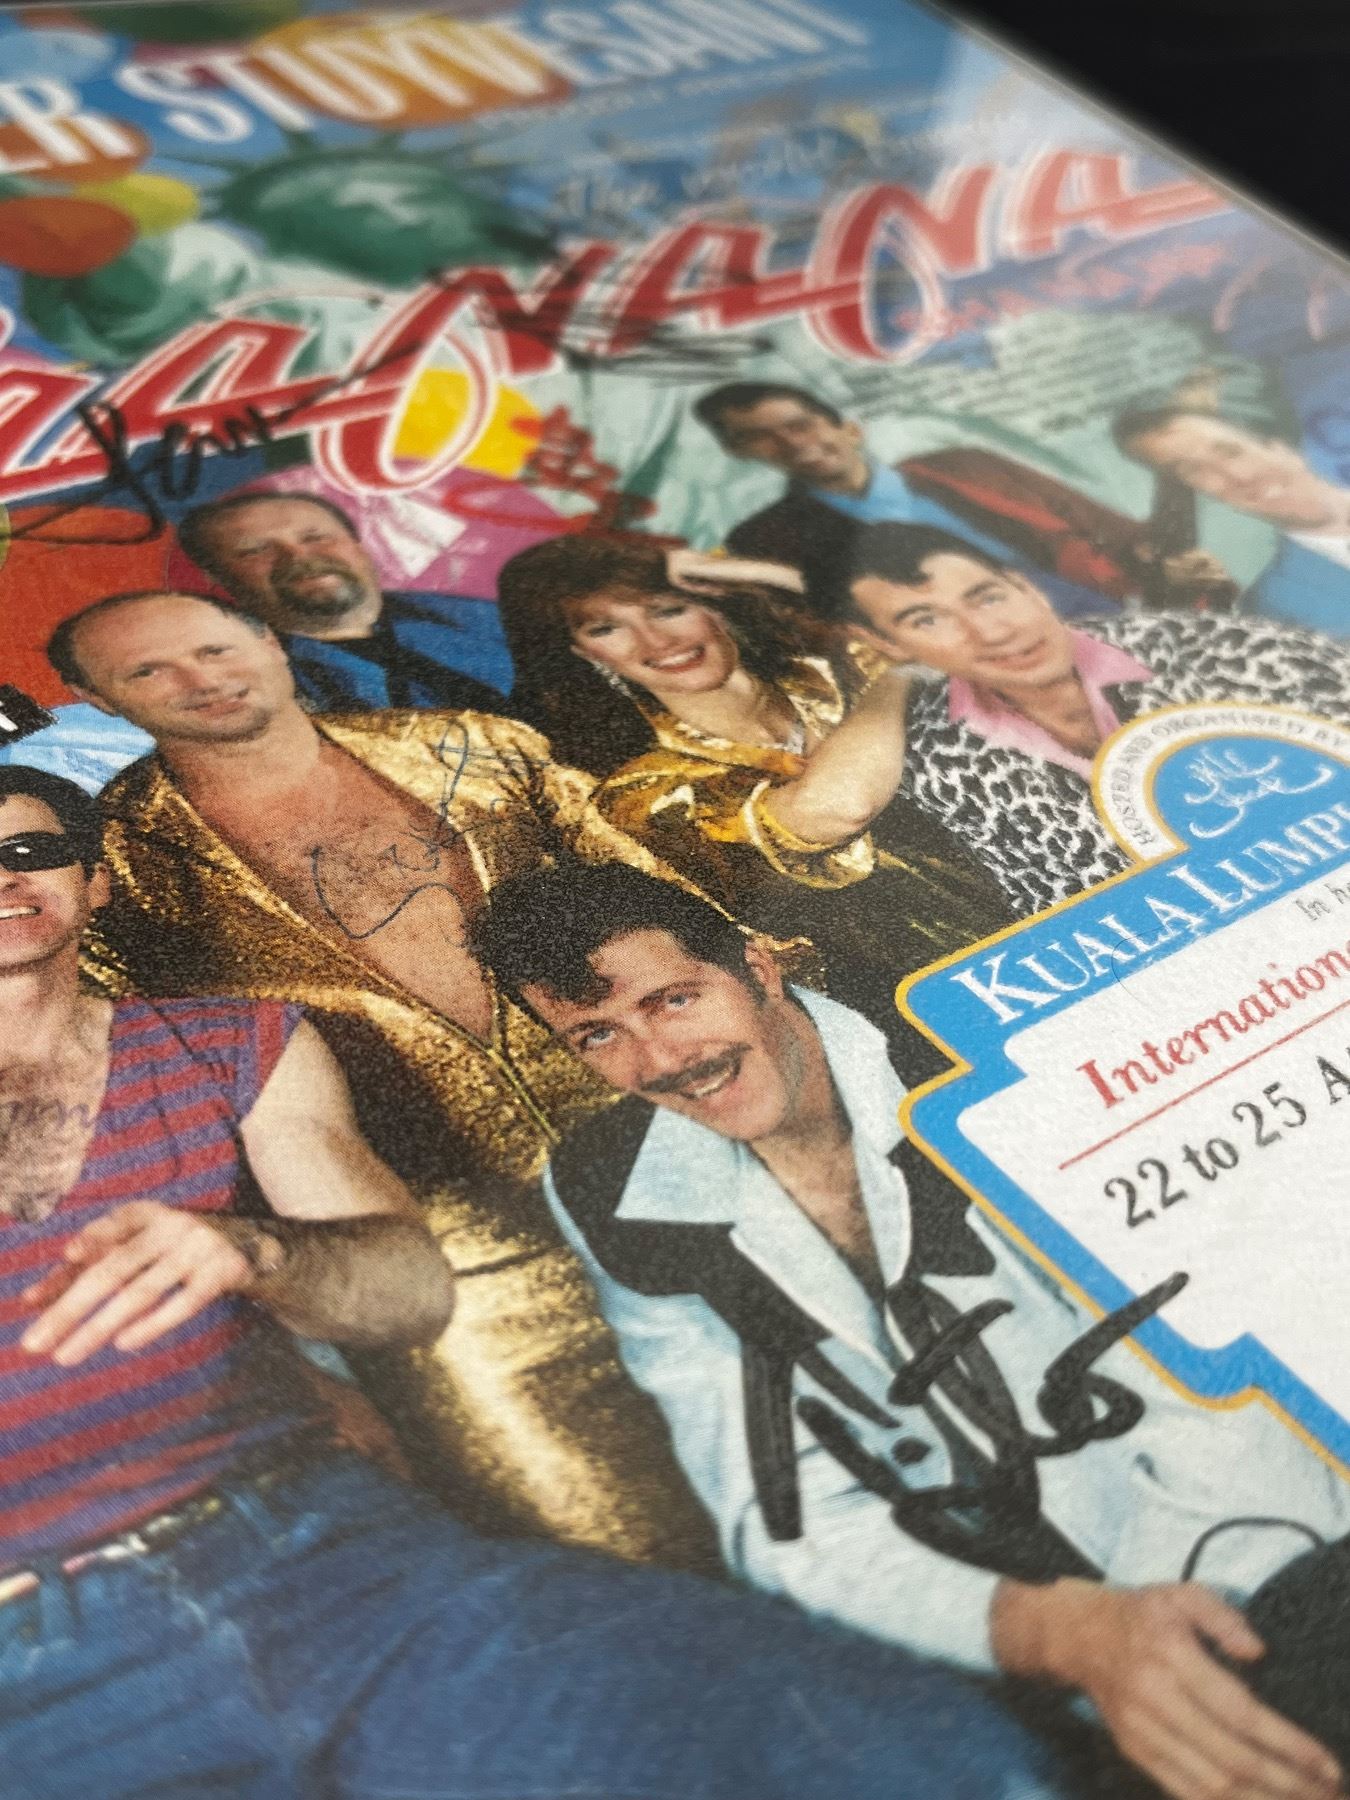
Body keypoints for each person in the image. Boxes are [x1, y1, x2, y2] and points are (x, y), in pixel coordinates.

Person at [0, 763, 1078, 1800]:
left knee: (912, 1752)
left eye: (29, 850)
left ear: (96, 880)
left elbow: (410, 1293)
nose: (4, 878)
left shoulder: (231, 1044)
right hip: (29, 1665)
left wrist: (258, 1253)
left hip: (329, 1563)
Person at [473, 858, 1350, 1800]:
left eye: (676, 1000)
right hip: (1029, 1656)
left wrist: (1162, 1653)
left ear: (759, 968)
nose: (660, 1061)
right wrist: (1061, 1635)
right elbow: (785, 1518)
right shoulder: (610, 1191)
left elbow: (1222, 1385)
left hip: (1283, 1553)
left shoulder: (980, 1049)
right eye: (599, 1035)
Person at [43, 587, 719, 1570]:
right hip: (447, 1275)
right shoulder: (111, 867)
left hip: (691, 1163)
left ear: (269, 642)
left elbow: (697, 928)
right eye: (149, 670)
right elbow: (135, 1098)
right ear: (98, 700)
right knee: (613, 1564)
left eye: (214, 649)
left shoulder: (479, 748)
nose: (200, 680)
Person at [498, 532, 1011, 1061]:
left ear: (714, 603)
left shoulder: (835, 666)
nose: (655, 641)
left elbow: (937, 606)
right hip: (940, 997)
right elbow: (835, 810)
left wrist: (755, 575)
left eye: (668, 609)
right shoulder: (644, 790)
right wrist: (898, 675)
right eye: (606, 628)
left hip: (1048, 899)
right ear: (582, 652)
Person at [834, 523, 1350, 917]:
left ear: (1027, 587)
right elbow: (1061, 916)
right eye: (927, 620)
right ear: (888, 645)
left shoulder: (1221, 649)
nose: (991, 632)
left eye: (988, 597)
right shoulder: (935, 764)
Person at [696, 380, 1226, 619]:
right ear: (739, 452)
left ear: (850, 428)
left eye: (800, 424)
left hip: (1115, 613)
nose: (792, 444)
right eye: (759, 437)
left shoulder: (968, 467)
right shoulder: (768, 539)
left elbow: (1133, 543)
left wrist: (1181, 458)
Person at [179, 490, 515, 709]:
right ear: (216, 577)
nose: (299, 556)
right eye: (256, 550)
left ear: (359, 546)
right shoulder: (233, 681)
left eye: (316, 537)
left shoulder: (489, 618)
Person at [1114, 400, 1350, 636]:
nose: (1238, 475)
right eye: (1194, 470)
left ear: (1278, 445)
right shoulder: (1274, 606)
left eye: (1231, 452)